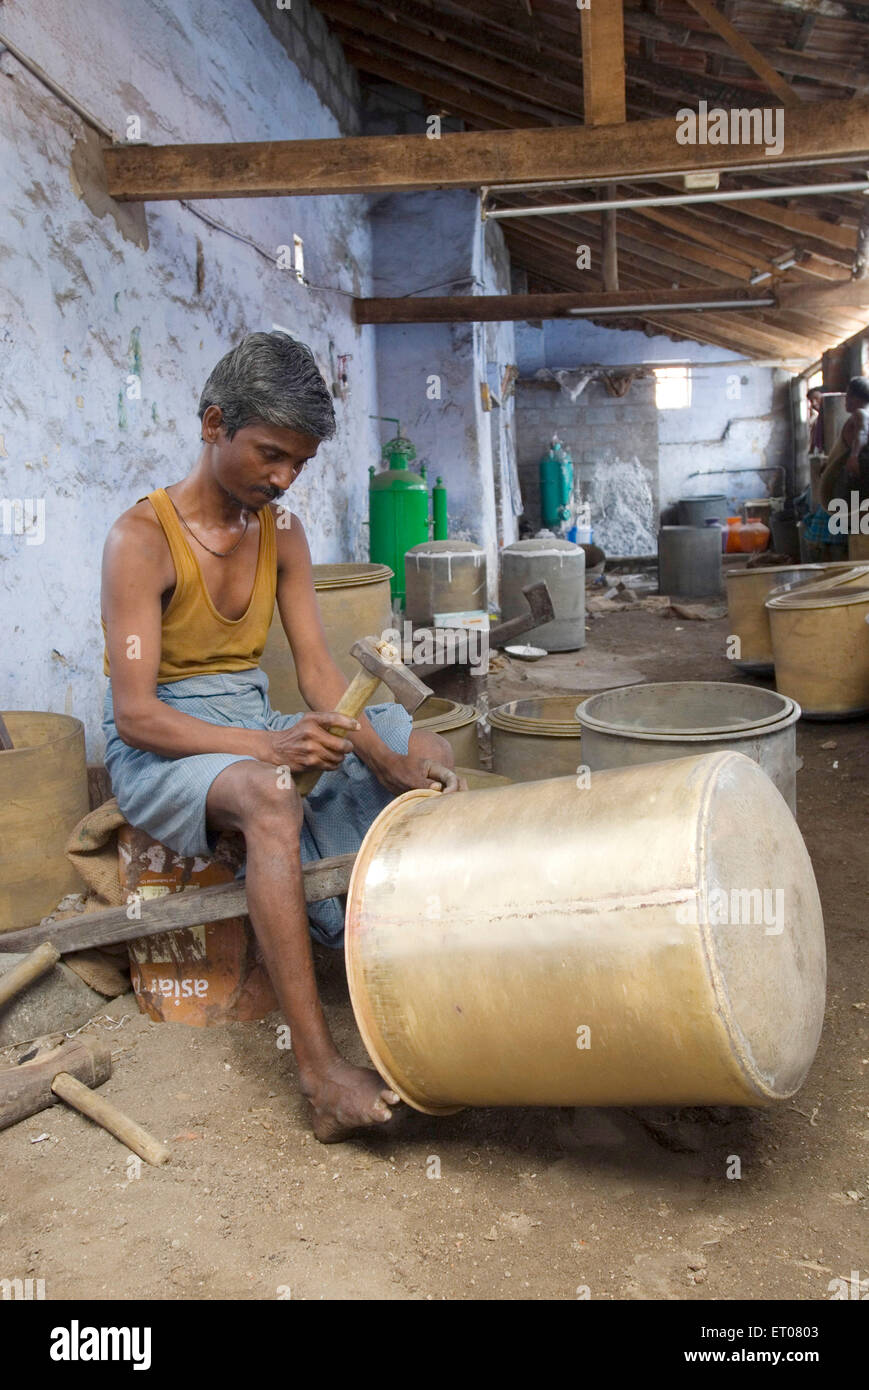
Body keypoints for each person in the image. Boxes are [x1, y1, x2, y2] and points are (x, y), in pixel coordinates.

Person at [101, 332, 465, 1142]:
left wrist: (390, 760)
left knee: (418, 738)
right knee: (271, 797)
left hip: (250, 715)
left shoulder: (282, 531)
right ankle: (319, 1074)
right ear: (212, 423)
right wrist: (271, 751)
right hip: (166, 739)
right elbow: (135, 715)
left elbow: (319, 678)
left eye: (297, 464)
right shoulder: (140, 539)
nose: (280, 478)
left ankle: (435, 981)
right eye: (269, 454)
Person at [818, 376, 869, 562]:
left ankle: (855, 564)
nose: (845, 401)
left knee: (856, 526)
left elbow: (862, 434)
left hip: (859, 479)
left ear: (857, 398)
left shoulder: (861, 414)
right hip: (859, 479)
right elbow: (843, 449)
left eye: (848, 397)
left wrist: (854, 456)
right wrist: (831, 463)